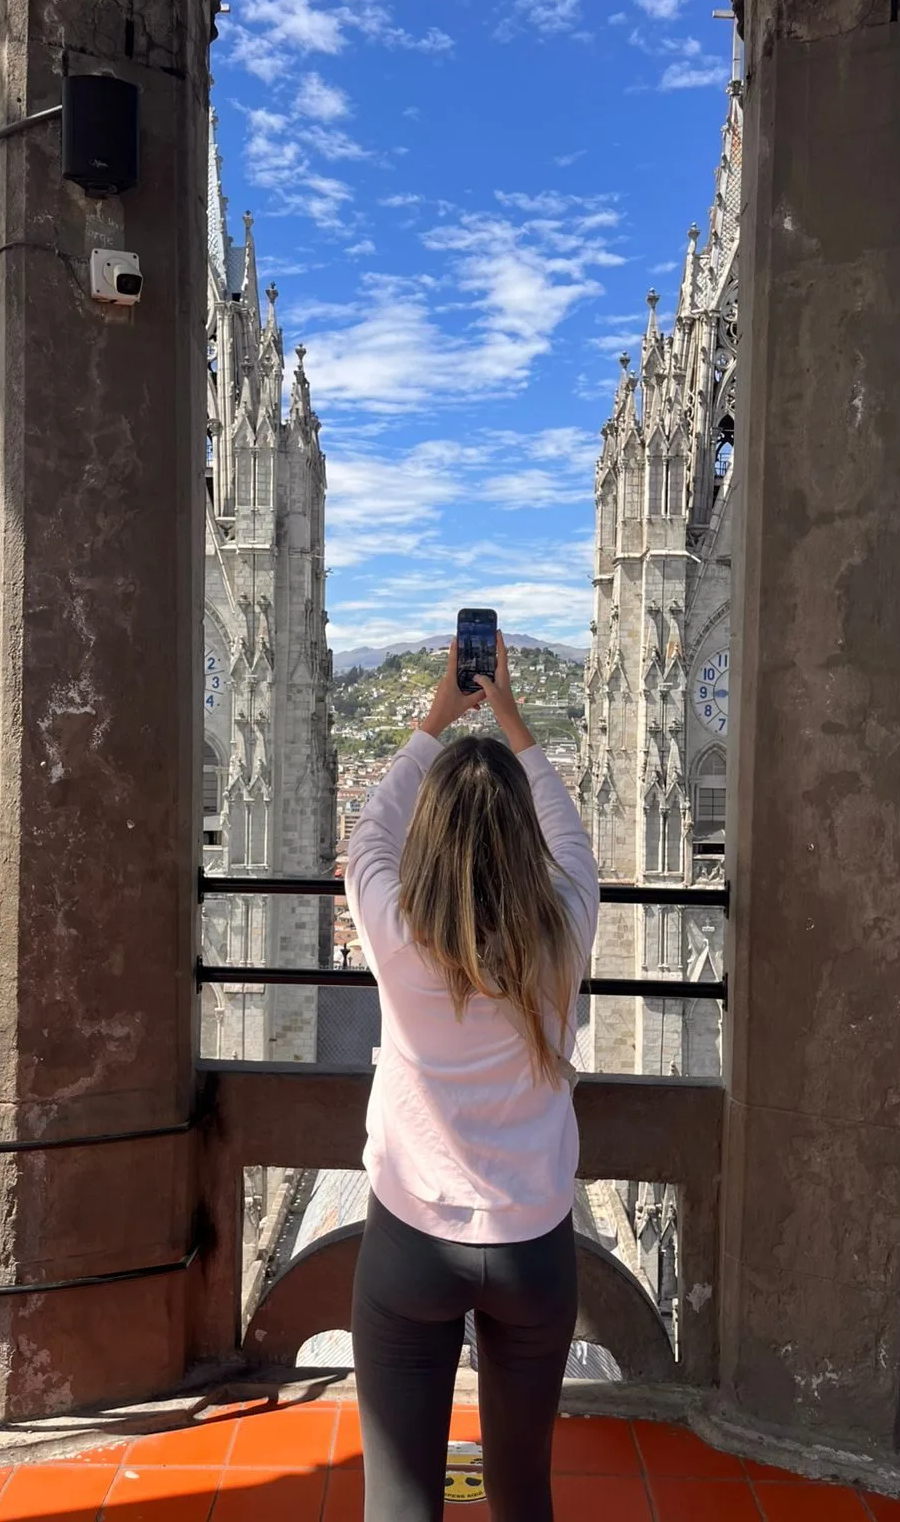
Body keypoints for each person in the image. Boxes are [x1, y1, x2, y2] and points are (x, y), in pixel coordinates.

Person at [345, 632, 600, 1522]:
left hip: (412, 1236)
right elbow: (569, 836)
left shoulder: (396, 933)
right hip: (534, 1241)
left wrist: (433, 721)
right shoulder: (567, 925)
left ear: (432, 838)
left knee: (401, 1496)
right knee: (523, 1485)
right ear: (525, 837)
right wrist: (510, 720)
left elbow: (369, 836)